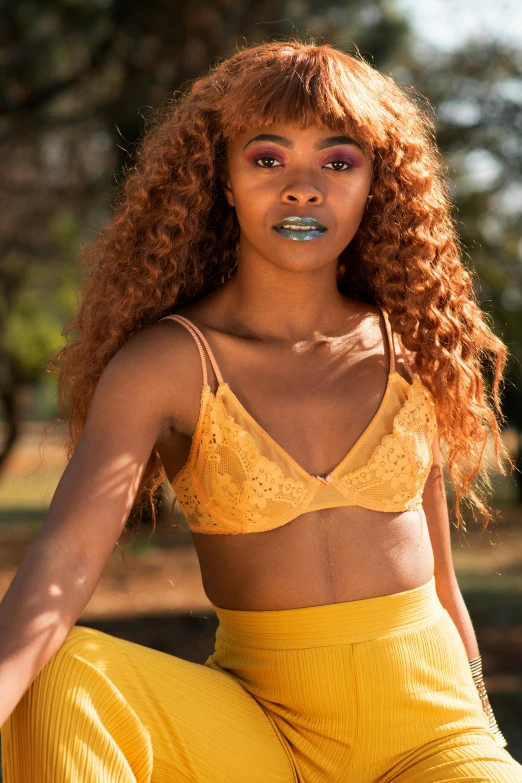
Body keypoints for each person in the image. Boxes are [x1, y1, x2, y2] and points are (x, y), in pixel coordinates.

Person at [1, 38, 521, 783]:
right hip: (258, 731)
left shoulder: (412, 344)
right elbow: (66, 557)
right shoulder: (167, 364)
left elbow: (441, 580)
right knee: (61, 671)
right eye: (268, 159)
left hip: (430, 736)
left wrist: (487, 731)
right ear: (222, 178)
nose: (303, 188)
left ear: (379, 183)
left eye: (337, 162)